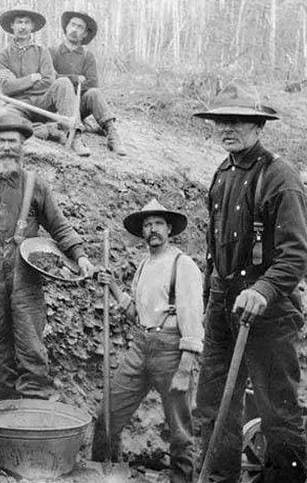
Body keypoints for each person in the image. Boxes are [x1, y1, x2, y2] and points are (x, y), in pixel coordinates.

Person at [192, 81, 307, 483]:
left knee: (277, 412)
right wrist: (210, 299)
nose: (228, 128)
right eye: (222, 121)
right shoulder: (222, 173)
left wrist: (263, 289)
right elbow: (214, 248)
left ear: (259, 126)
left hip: (268, 314)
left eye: (238, 121)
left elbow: (295, 254)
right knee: (213, 407)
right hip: (222, 308)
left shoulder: (279, 177)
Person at [0, 109, 95, 400]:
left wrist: (80, 255)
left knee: (29, 336)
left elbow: (59, 225)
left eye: (13, 142)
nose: (7, 147)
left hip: (24, 268)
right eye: (1, 141)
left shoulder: (36, 184)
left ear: (22, 146)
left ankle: (33, 401)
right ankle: (3, 400)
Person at [92, 199, 203, 483]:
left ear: (169, 229)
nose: (152, 229)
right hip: (140, 347)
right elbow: (136, 314)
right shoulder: (143, 265)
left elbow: (192, 320)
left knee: (180, 431)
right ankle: (105, 475)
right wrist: (113, 287)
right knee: (107, 416)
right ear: (142, 231)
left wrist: (184, 368)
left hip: (171, 352)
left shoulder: (183, 265)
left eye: (158, 224)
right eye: (147, 225)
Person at [0, 7, 91, 156]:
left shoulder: (42, 51)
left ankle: (75, 136)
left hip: (43, 102)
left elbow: (48, 81)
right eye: (19, 22)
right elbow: (6, 88)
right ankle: (47, 130)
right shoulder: (3, 56)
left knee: (63, 82)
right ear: (12, 25)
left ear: (32, 26)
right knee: (1, 115)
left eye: (27, 22)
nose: (23, 27)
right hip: (18, 105)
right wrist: (31, 79)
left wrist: (18, 84)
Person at [50, 10, 127, 156]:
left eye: (80, 27)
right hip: (57, 105)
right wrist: (73, 79)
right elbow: (49, 79)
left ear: (85, 34)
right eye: (72, 25)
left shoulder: (87, 56)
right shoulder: (53, 52)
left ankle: (112, 133)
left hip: (78, 105)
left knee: (94, 93)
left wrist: (69, 84)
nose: (75, 29)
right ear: (66, 27)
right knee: (62, 84)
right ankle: (75, 136)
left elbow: (92, 83)